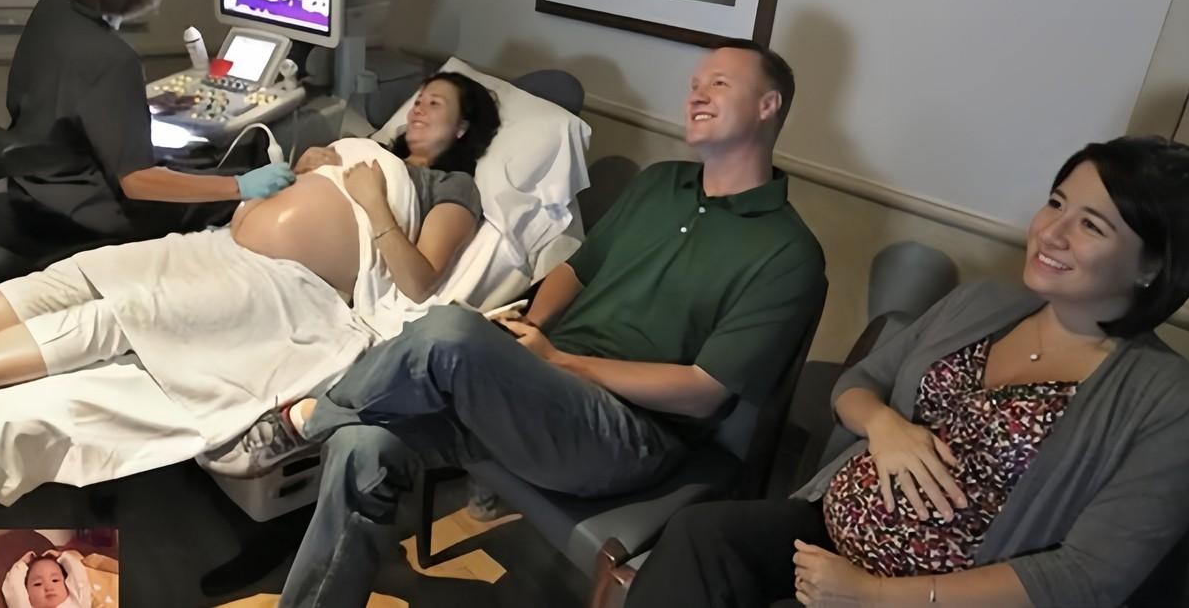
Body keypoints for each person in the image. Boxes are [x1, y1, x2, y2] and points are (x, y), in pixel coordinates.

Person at [220, 38, 828, 607]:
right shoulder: (661, 183)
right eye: (695, 83)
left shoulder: (787, 252)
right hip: (543, 396)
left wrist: (559, 361)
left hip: (628, 435)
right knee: (363, 447)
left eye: (718, 83)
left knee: (449, 330)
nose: (695, 94)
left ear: (768, 106)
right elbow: (577, 270)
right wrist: (527, 328)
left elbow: (701, 393)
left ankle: (306, 420)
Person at [625, 136, 1189, 608]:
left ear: (1152, 264)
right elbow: (856, 384)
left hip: (935, 595)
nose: (1051, 232)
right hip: (828, 533)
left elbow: (1087, 576)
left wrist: (874, 595)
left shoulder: (1166, 400)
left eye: (1091, 226)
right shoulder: (982, 304)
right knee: (702, 535)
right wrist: (885, 427)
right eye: (1056, 203)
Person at [0, 72, 500, 389]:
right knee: (84, 272)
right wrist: (303, 168)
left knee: (118, 315)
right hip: (223, 246)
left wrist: (375, 204)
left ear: (461, 128)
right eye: (419, 98)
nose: (418, 107)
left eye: (435, 103)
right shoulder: (369, 148)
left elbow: (420, 281)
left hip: (290, 285)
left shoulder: (449, 185)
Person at [0, 0, 295, 272]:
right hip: (84, 214)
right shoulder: (113, 60)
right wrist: (239, 187)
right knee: (227, 184)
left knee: (194, 163)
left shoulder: (51, 7)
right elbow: (138, 182)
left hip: (34, 188)